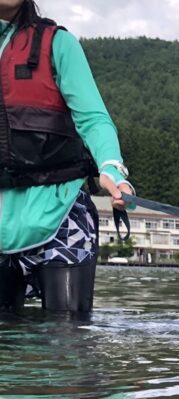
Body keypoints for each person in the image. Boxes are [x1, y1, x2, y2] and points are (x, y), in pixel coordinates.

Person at [0, 0, 133, 313]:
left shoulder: (59, 44)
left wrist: (112, 168)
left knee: (65, 343)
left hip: (59, 211)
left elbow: (93, 119)